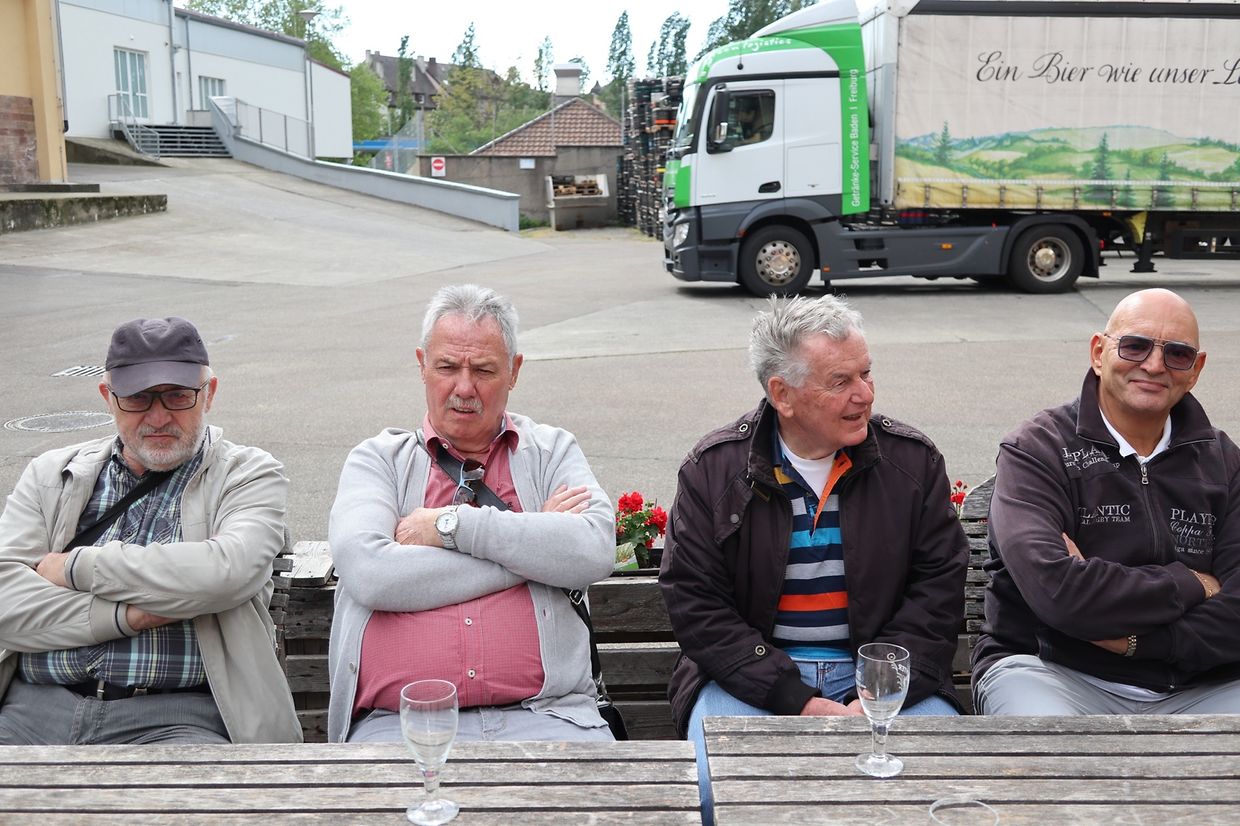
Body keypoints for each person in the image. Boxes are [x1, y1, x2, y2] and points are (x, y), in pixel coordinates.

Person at [660, 295, 968, 822]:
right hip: (749, 678)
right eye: (840, 382)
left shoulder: (912, 463)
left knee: (946, 787)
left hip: (886, 674)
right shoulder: (713, 471)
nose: (864, 395)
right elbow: (696, 604)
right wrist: (792, 695)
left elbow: (938, 589)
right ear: (782, 393)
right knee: (718, 792)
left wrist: (878, 685)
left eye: (866, 373)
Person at [327, 284, 616, 743]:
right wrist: (534, 550)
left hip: (552, 717)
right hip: (400, 724)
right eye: (447, 367)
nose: (464, 388)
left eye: (483, 370)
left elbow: (595, 548)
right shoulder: (377, 460)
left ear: (514, 371)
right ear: (422, 364)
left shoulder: (553, 451)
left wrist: (451, 527)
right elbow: (371, 574)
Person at [0, 316, 299, 745]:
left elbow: (226, 571)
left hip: (179, 719)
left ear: (209, 394)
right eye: (137, 398)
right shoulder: (50, 474)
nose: (158, 417)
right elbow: (5, 598)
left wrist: (72, 569)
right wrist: (129, 617)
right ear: (108, 398)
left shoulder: (248, 474)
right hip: (32, 712)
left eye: (177, 396)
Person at [974, 287, 1240, 715]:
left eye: (1177, 354)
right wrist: (1194, 583)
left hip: (1201, 684)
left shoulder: (1225, 462)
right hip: (1054, 672)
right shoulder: (1037, 450)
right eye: (1135, 346)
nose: (1154, 365)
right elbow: (1060, 593)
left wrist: (1142, 643)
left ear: (1196, 370)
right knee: (1049, 744)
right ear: (1099, 352)